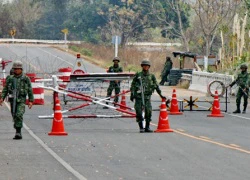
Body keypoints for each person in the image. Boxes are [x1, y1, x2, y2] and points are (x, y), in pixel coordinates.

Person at [130, 59, 166, 133]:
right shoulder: (138, 75)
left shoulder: (151, 76)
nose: (146, 67)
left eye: (147, 66)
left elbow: (156, 86)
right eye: (144, 66)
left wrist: (161, 95)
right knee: (139, 112)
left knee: (148, 112)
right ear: (142, 66)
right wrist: (132, 94)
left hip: (147, 97)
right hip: (139, 97)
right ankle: (141, 127)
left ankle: (147, 127)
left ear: (149, 67)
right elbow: (133, 85)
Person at [0, 61, 34, 140]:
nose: (16, 70)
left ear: (21, 69)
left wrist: (31, 101)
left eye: (18, 69)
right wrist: (2, 98)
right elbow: (5, 89)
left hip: (21, 100)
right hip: (12, 100)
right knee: (14, 115)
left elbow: (29, 90)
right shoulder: (10, 78)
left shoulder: (25, 78)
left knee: (19, 114)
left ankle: (18, 132)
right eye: (15, 69)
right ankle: (17, 129)